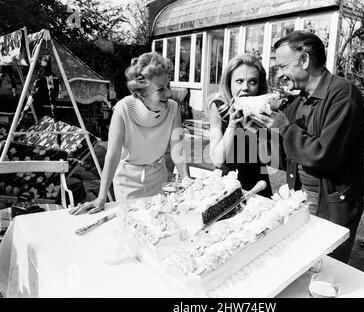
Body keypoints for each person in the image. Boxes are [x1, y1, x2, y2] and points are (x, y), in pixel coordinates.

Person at [253, 31, 364, 263]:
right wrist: (260, 130)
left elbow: (323, 155)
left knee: (324, 267)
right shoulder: (301, 100)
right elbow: (285, 157)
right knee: (299, 263)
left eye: (283, 66)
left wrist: (285, 127)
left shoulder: (343, 96)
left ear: (304, 60)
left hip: (331, 203)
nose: (281, 74)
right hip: (301, 197)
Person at [70, 52, 189, 214]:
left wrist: (187, 181)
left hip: (158, 180)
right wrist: (101, 197)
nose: (168, 94)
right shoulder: (123, 109)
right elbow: (112, 154)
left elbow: (178, 150)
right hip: (127, 184)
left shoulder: (173, 108)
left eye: (168, 86)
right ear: (141, 92)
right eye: (160, 89)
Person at [208, 53, 272, 198]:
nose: (246, 88)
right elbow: (217, 160)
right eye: (239, 81)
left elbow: (271, 157)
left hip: (258, 186)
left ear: (259, 85)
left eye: (252, 82)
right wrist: (231, 126)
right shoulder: (218, 107)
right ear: (228, 83)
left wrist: (259, 128)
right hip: (227, 186)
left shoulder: (265, 112)